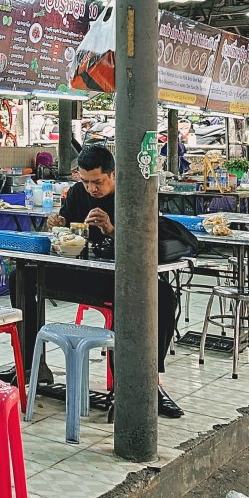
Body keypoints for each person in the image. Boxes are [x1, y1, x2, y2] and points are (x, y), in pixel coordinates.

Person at [28, 143, 184, 418]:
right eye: (86, 182)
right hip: (83, 273)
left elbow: (144, 243)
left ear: (113, 174)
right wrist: (59, 223)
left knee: (163, 295)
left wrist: (112, 229)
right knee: (23, 276)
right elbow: (68, 234)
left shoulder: (131, 196)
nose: (92, 189)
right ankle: (32, 366)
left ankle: (150, 383)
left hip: (120, 277)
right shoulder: (77, 194)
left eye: (98, 182)